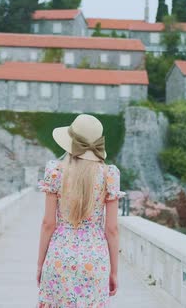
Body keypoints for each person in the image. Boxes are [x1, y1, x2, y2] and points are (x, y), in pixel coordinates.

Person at [36, 114, 124, 307]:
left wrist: (40, 264)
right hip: (95, 261)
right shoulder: (109, 175)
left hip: (59, 257)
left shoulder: (55, 171)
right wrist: (114, 271)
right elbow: (112, 229)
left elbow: (48, 224)